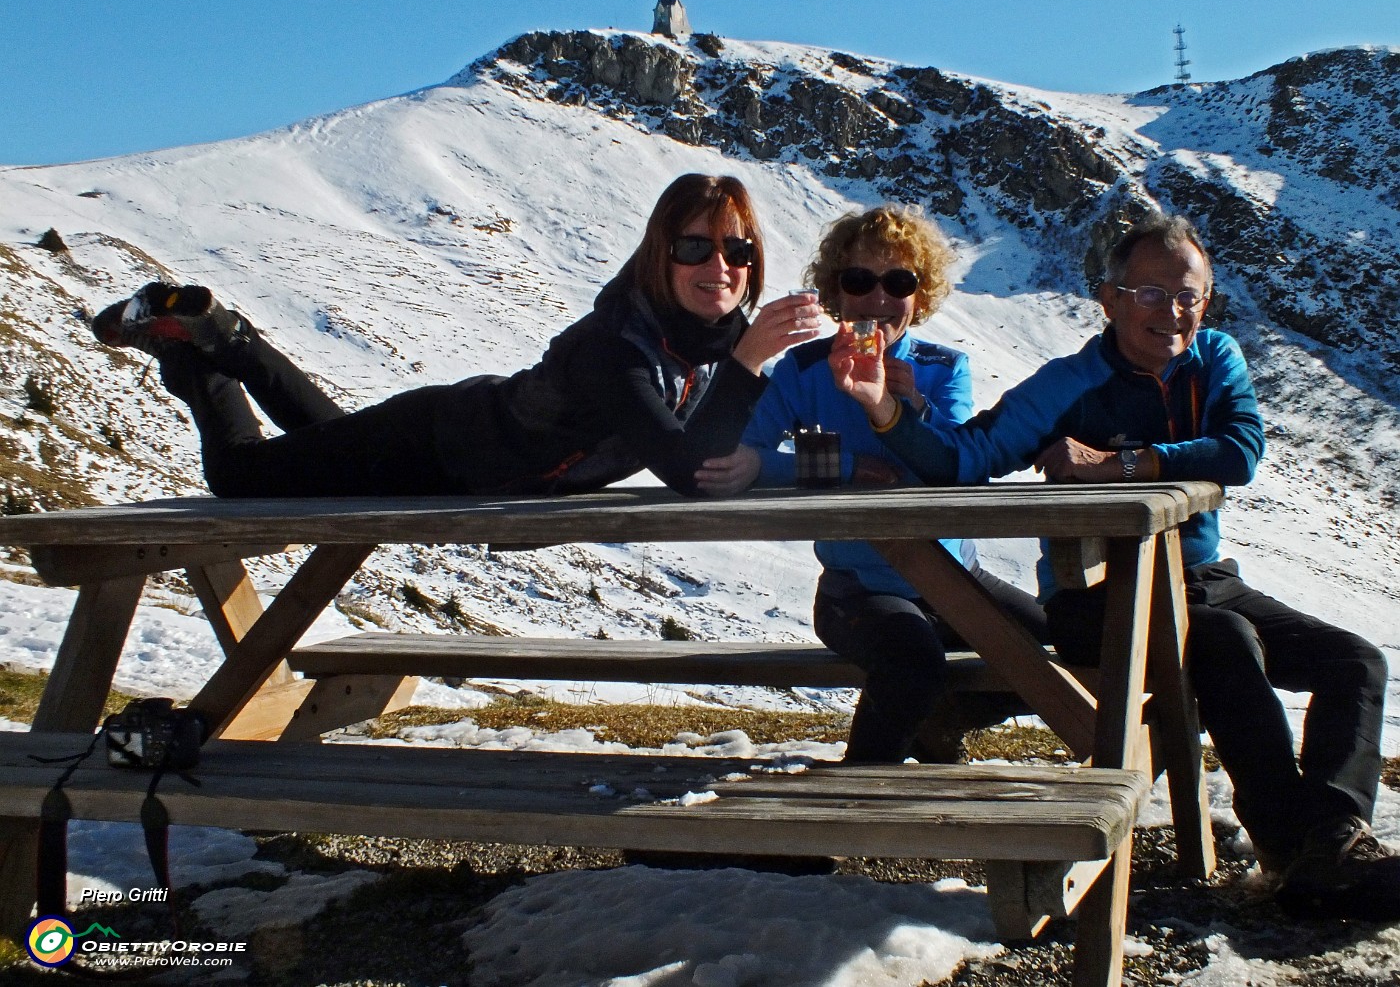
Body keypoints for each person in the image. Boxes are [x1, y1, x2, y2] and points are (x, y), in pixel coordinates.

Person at [832, 211, 1398, 918]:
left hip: (1203, 580)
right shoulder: (1068, 383)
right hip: (1098, 598)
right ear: (1111, 299)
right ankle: (1299, 852)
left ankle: (1333, 839)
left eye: (1189, 295)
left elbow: (1240, 449)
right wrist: (888, 414)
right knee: (1224, 642)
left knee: (1355, 662)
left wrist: (1123, 463)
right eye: (1152, 294)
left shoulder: (1216, 357)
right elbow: (965, 458)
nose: (1174, 312)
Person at [91, 174, 822, 498]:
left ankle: (224, 338)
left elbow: (728, 456)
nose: (719, 266)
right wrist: (751, 359)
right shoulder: (615, 347)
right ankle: (197, 351)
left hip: (450, 457)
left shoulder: (709, 339)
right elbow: (691, 473)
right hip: (436, 447)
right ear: (659, 256)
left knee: (328, 445)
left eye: (737, 250)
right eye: (694, 247)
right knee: (242, 477)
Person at [697, 206, 1045, 763]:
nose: (878, 300)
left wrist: (912, 412)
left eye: (898, 282)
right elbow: (749, 458)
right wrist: (843, 469)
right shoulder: (803, 370)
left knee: (1063, 651)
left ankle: (937, 723)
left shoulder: (940, 369)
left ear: (920, 294)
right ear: (837, 290)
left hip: (957, 578)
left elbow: (959, 466)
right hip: (857, 587)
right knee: (913, 665)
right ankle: (849, 809)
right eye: (859, 281)